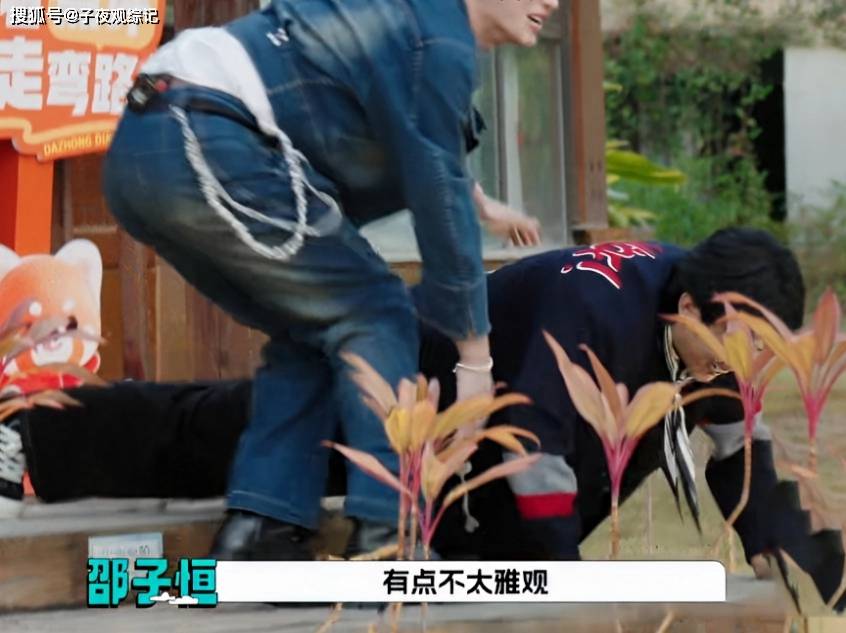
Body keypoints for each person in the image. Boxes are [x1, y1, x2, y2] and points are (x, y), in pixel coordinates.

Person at [3, 228, 843, 608]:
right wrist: (565, 592)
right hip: (396, 380)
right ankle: (30, 430)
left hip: (467, 477)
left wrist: (824, 564)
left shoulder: (712, 334)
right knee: (220, 435)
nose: (747, 367)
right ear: (692, 309)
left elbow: (741, 456)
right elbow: (535, 454)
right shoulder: (592, 307)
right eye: (743, 346)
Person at [99, 0, 556, 560]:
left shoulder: (413, 20)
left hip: (146, 147)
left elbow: (421, 140)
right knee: (376, 313)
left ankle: (261, 530)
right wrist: (476, 364)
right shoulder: (437, 37)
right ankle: (389, 539)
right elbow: (438, 193)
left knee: (315, 329)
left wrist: (480, 203)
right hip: (208, 136)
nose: (552, 3)